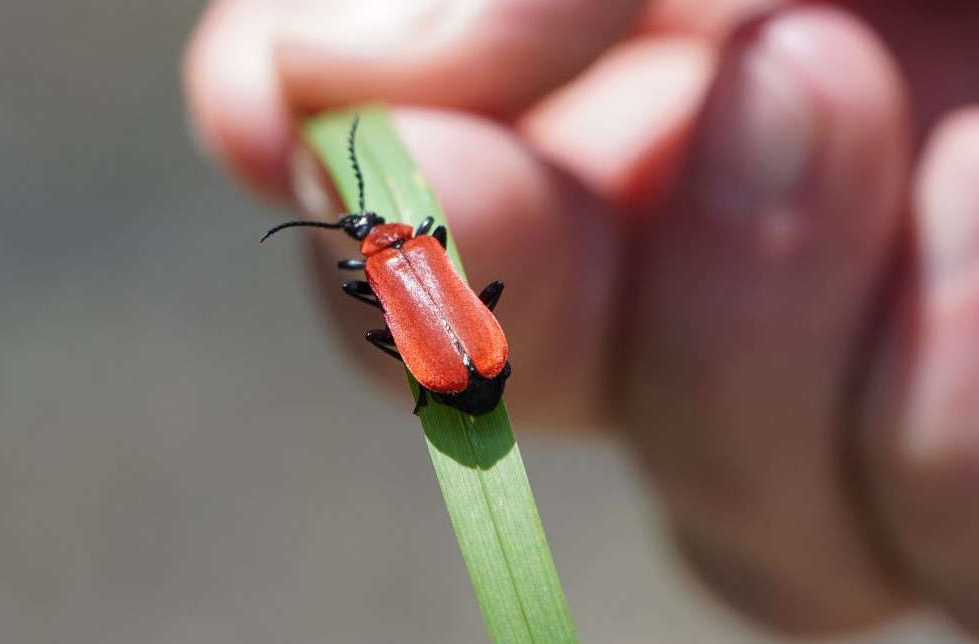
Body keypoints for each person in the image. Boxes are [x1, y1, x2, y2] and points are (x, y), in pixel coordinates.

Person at [182, 0, 979, 637]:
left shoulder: (392, 262)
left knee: (397, 319)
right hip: (479, 358)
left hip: (468, 366)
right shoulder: (420, 246)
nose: (355, 231)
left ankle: (431, 388)